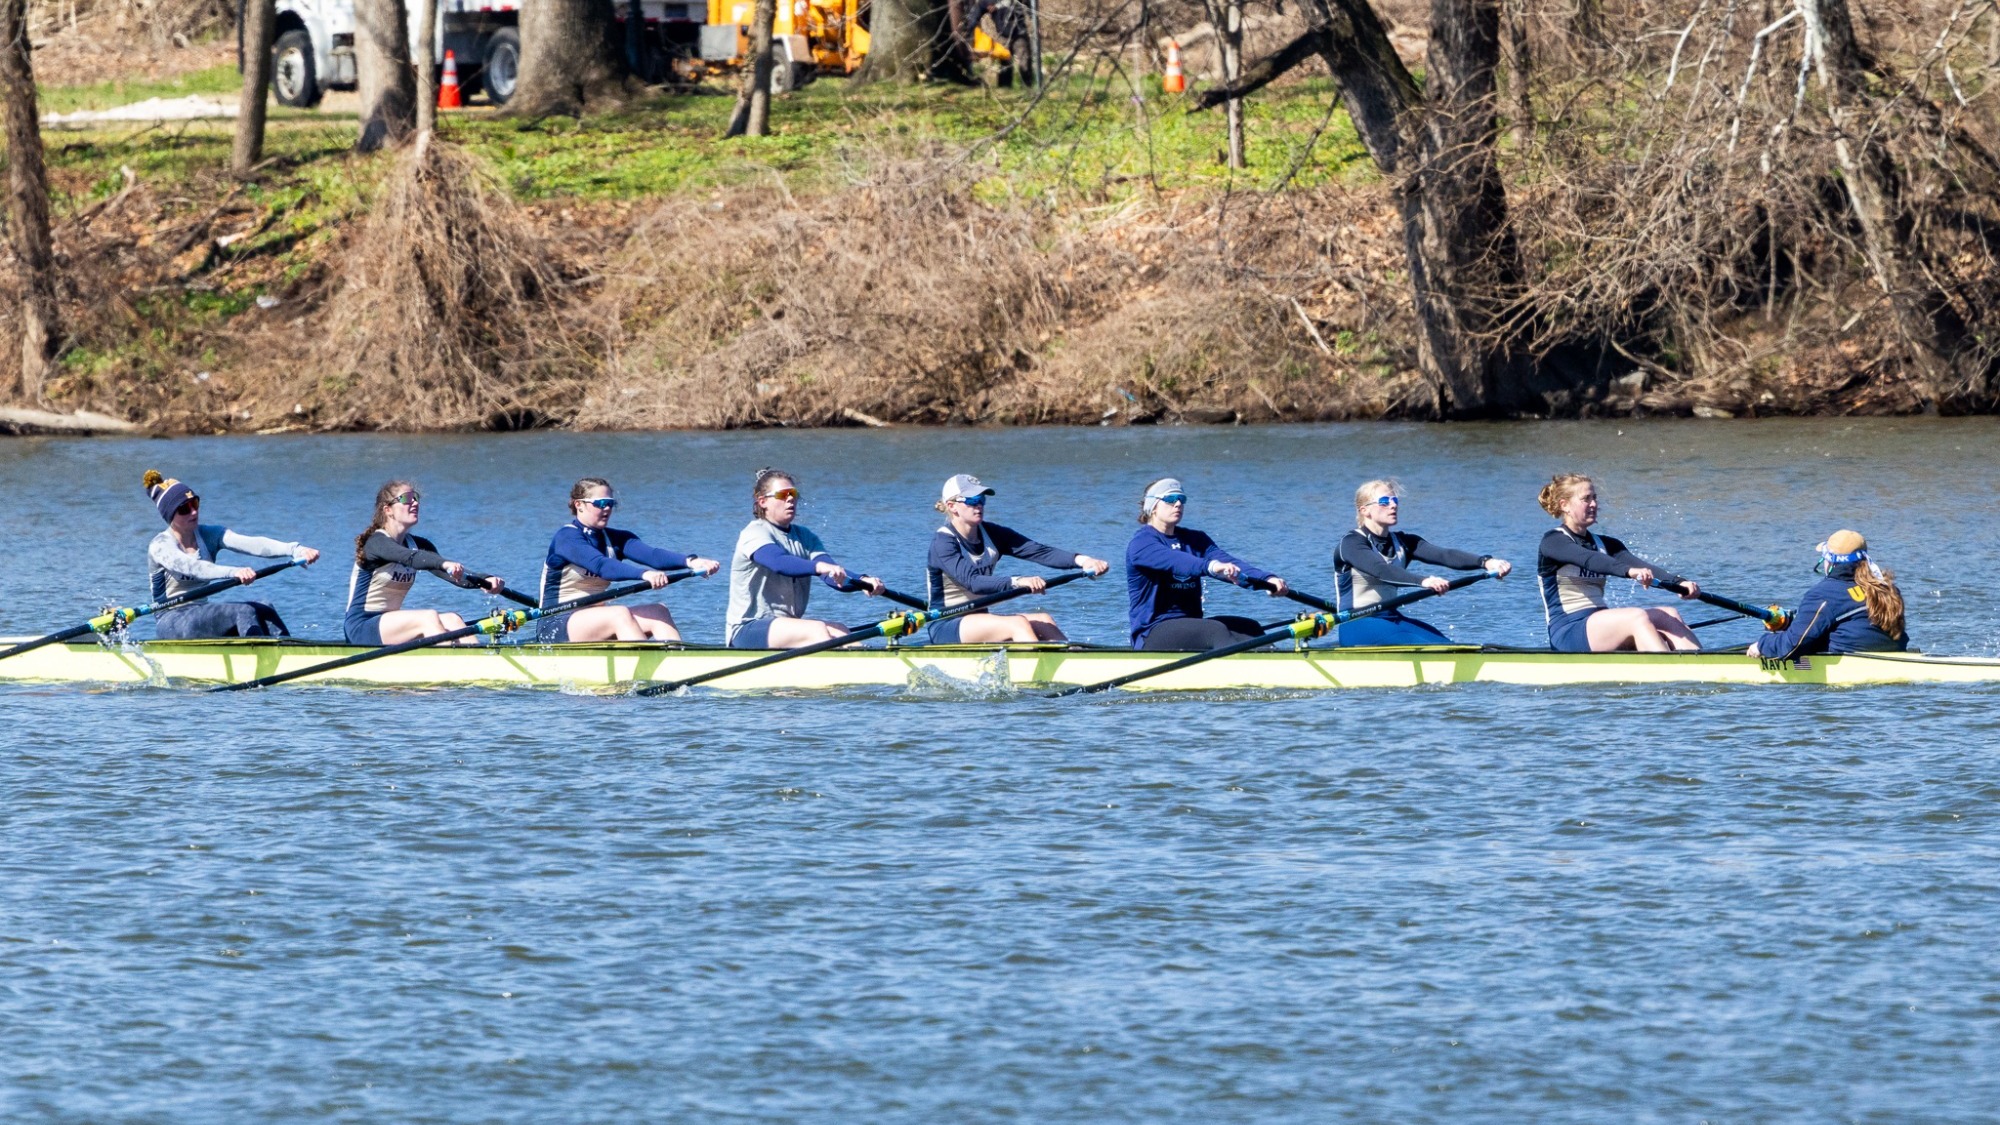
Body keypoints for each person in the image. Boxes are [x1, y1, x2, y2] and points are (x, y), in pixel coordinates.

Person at [924, 474, 1109, 644]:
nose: (979, 505)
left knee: (1044, 621)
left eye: (982, 499)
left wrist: (1083, 561)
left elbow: (1039, 551)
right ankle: (1038, 665)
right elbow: (973, 582)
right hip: (945, 624)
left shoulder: (992, 533)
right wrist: (1018, 581)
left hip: (979, 618)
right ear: (952, 506)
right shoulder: (943, 543)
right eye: (972, 500)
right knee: (1018, 624)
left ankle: (1073, 657)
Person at [537, 478, 721, 643]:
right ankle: (646, 667)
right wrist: (644, 574)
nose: (607, 508)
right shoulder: (566, 538)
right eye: (601, 503)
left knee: (658, 611)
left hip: (596, 618)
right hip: (556, 623)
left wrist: (692, 562)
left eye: (611, 503)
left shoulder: (617, 539)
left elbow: (653, 556)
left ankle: (679, 661)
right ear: (579, 505)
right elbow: (601, 565)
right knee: (619, 614)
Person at [142, 469, 319, 639]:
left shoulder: (209, 535)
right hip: (171, 619)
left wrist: (295, 549)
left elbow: (252, 543)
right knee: (243, 611)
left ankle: (289, 650)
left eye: (194, 503)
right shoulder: (160, 546)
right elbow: (194, 568)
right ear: (170, 515)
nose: (194, 512)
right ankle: (257, 654)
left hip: (199, 612)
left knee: (264, 608)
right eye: (184, 509)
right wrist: (233, 572)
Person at [1536, 472, 1701, 652]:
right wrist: (1630, 572)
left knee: (1669, 614)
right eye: (1586, 499)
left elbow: (1644, 566)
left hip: (1600, 624)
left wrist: (1679, 582)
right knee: (1636, 617)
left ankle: (1700, 662)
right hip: (1568, 630)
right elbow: (1590, 559)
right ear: (1565, 505)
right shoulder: (1553, 542)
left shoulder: (1606, 544)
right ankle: (1668, 665)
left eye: (1594, 498)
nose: (1594, 504)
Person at [1334, 478, 1511, 645]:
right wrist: (1424, 581)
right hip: (1356, 624)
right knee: (1431, 647)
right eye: (1384, 501)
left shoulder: (1404, 542)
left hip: (1391, 618)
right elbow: (1381, 570)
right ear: (1365, 510)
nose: (1393, 505)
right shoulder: (1351, 543)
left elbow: (1445, 555)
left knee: (1446, 644)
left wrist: (1486, 562)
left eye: (1394, 500)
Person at [726, 468, 886, 649]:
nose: (790, 499)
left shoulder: (805, 536)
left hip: (786, 627)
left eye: (793, 494)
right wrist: (819, 567)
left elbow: (833, 576)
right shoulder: (754, 533)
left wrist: (863, 581)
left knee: (841, 630)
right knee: (816, 630)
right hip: (748, 629)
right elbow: (779, 562)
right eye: (783, 495)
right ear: (763, 502)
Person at [1125, 477, 1289, 650]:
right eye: (1170, 499)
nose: (1178, 504)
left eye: (1182, 499)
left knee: (1249, 627)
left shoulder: (1196, 540)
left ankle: (1280, 662)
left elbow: (1229, 562)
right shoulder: (1141, 543)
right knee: (1215, 631)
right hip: (1151, 632)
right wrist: (1211, 567)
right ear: (1152, 507)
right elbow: (1176, 561)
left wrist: (1267, 579)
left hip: (1192, 627)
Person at [346, 480, 507, 646]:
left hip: (391, 626)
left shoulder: (419, 545)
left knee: (453, 620)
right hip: (362, 627)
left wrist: (486, 580)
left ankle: (479, 658)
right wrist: (445, 564)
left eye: (416, 498)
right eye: (407, 499)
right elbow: (410, 557)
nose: (415, 503)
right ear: (388, 510)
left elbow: (456, 577)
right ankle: (451, 659)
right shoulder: (376, 543)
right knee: (428, 617)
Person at [1747, 530, 1909, 659]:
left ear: (1831, 562)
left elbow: (1793, 645)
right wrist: (1791, 624)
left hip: (1850, 664)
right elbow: (1856, 623)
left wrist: (1762, 644)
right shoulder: (1888, 589)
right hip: (1892, 656)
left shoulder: (1823, 594)